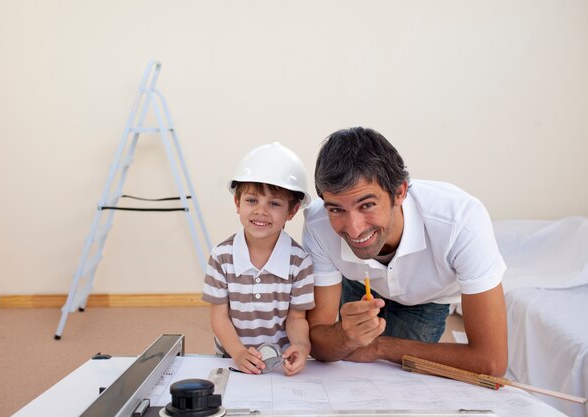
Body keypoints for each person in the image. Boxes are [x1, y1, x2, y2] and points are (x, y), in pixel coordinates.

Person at [302, 127, 508, 376]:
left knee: (399, 376)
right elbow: (317, 341)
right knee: (352, 370)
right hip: (359, 281)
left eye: (367, 205)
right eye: (336, 209)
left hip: (427, 298)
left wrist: (379, 347)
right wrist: (344, 335)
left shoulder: (461, 220)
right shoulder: (317, 222)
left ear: (399, 192)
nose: (354, 230)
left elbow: (491, 362)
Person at [202, 142, 315, 376]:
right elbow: (219, 317)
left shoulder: (299, 261)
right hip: (231, 359)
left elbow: (296, 318)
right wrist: (239, 353)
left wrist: (302, 347)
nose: (260, 211)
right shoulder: (221, 257)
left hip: (278, 364)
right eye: (252, 201)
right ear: (237, 203)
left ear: (291, 212)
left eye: (274, 204)